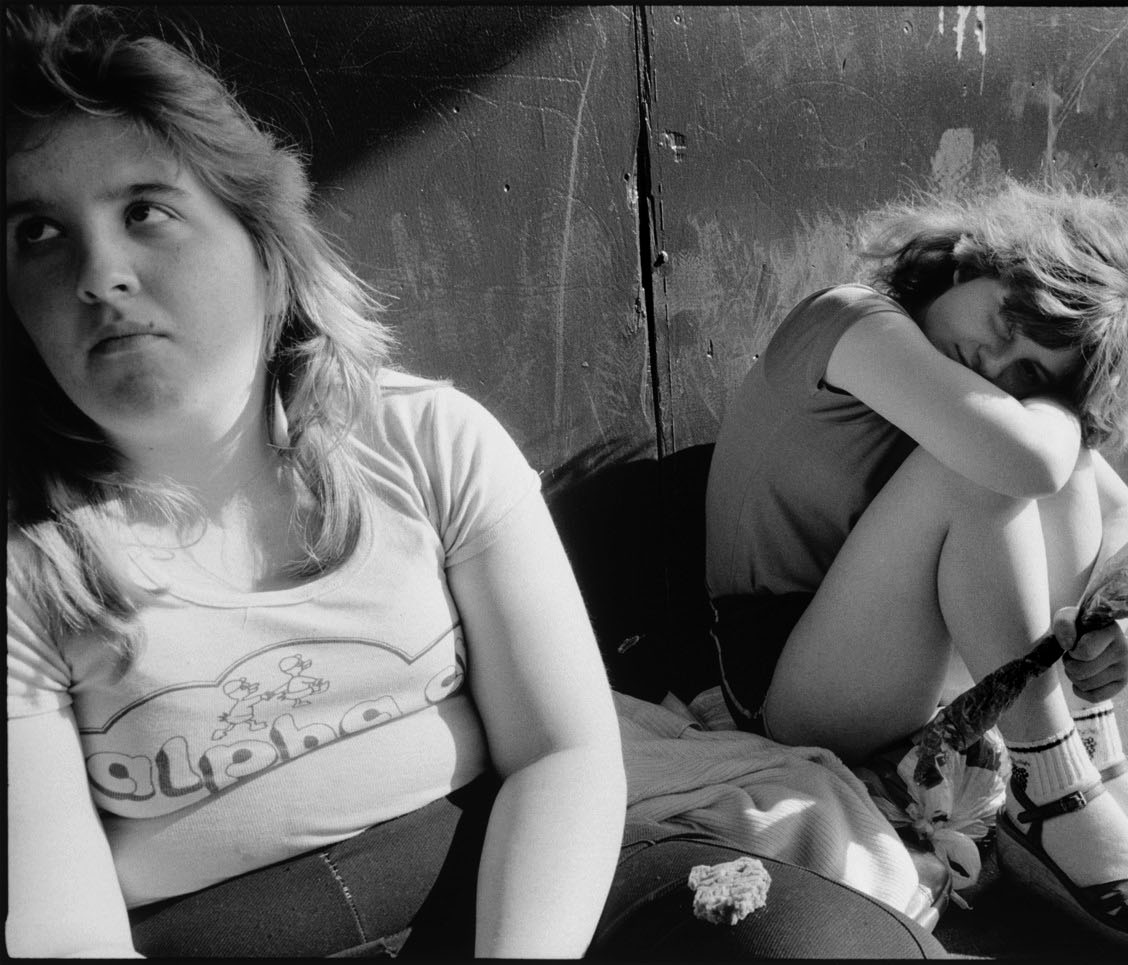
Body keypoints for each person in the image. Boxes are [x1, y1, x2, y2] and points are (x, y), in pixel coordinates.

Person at [5, 6, 947, 958]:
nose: (98, 274)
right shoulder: (26, 559)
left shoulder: (428, 440)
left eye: (146, 210)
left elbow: (563, 751)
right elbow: (62, 924)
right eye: (36, 231)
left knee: (815, 940)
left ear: (264, 244)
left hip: (503, 871)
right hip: (215, 931)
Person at [705, 178, 1128, 956]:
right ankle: (1048, 792)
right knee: (1002, 464)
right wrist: (1064, 409)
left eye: (1030, 367)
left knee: (1045, 464)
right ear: (970, 262)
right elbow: (1022, 456)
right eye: (1005, 321)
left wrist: (1099, 626)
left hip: (894, 659)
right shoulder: (850, 318)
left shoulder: (973, 381)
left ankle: (1093, 757)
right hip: (784, 682)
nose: (996, 360)